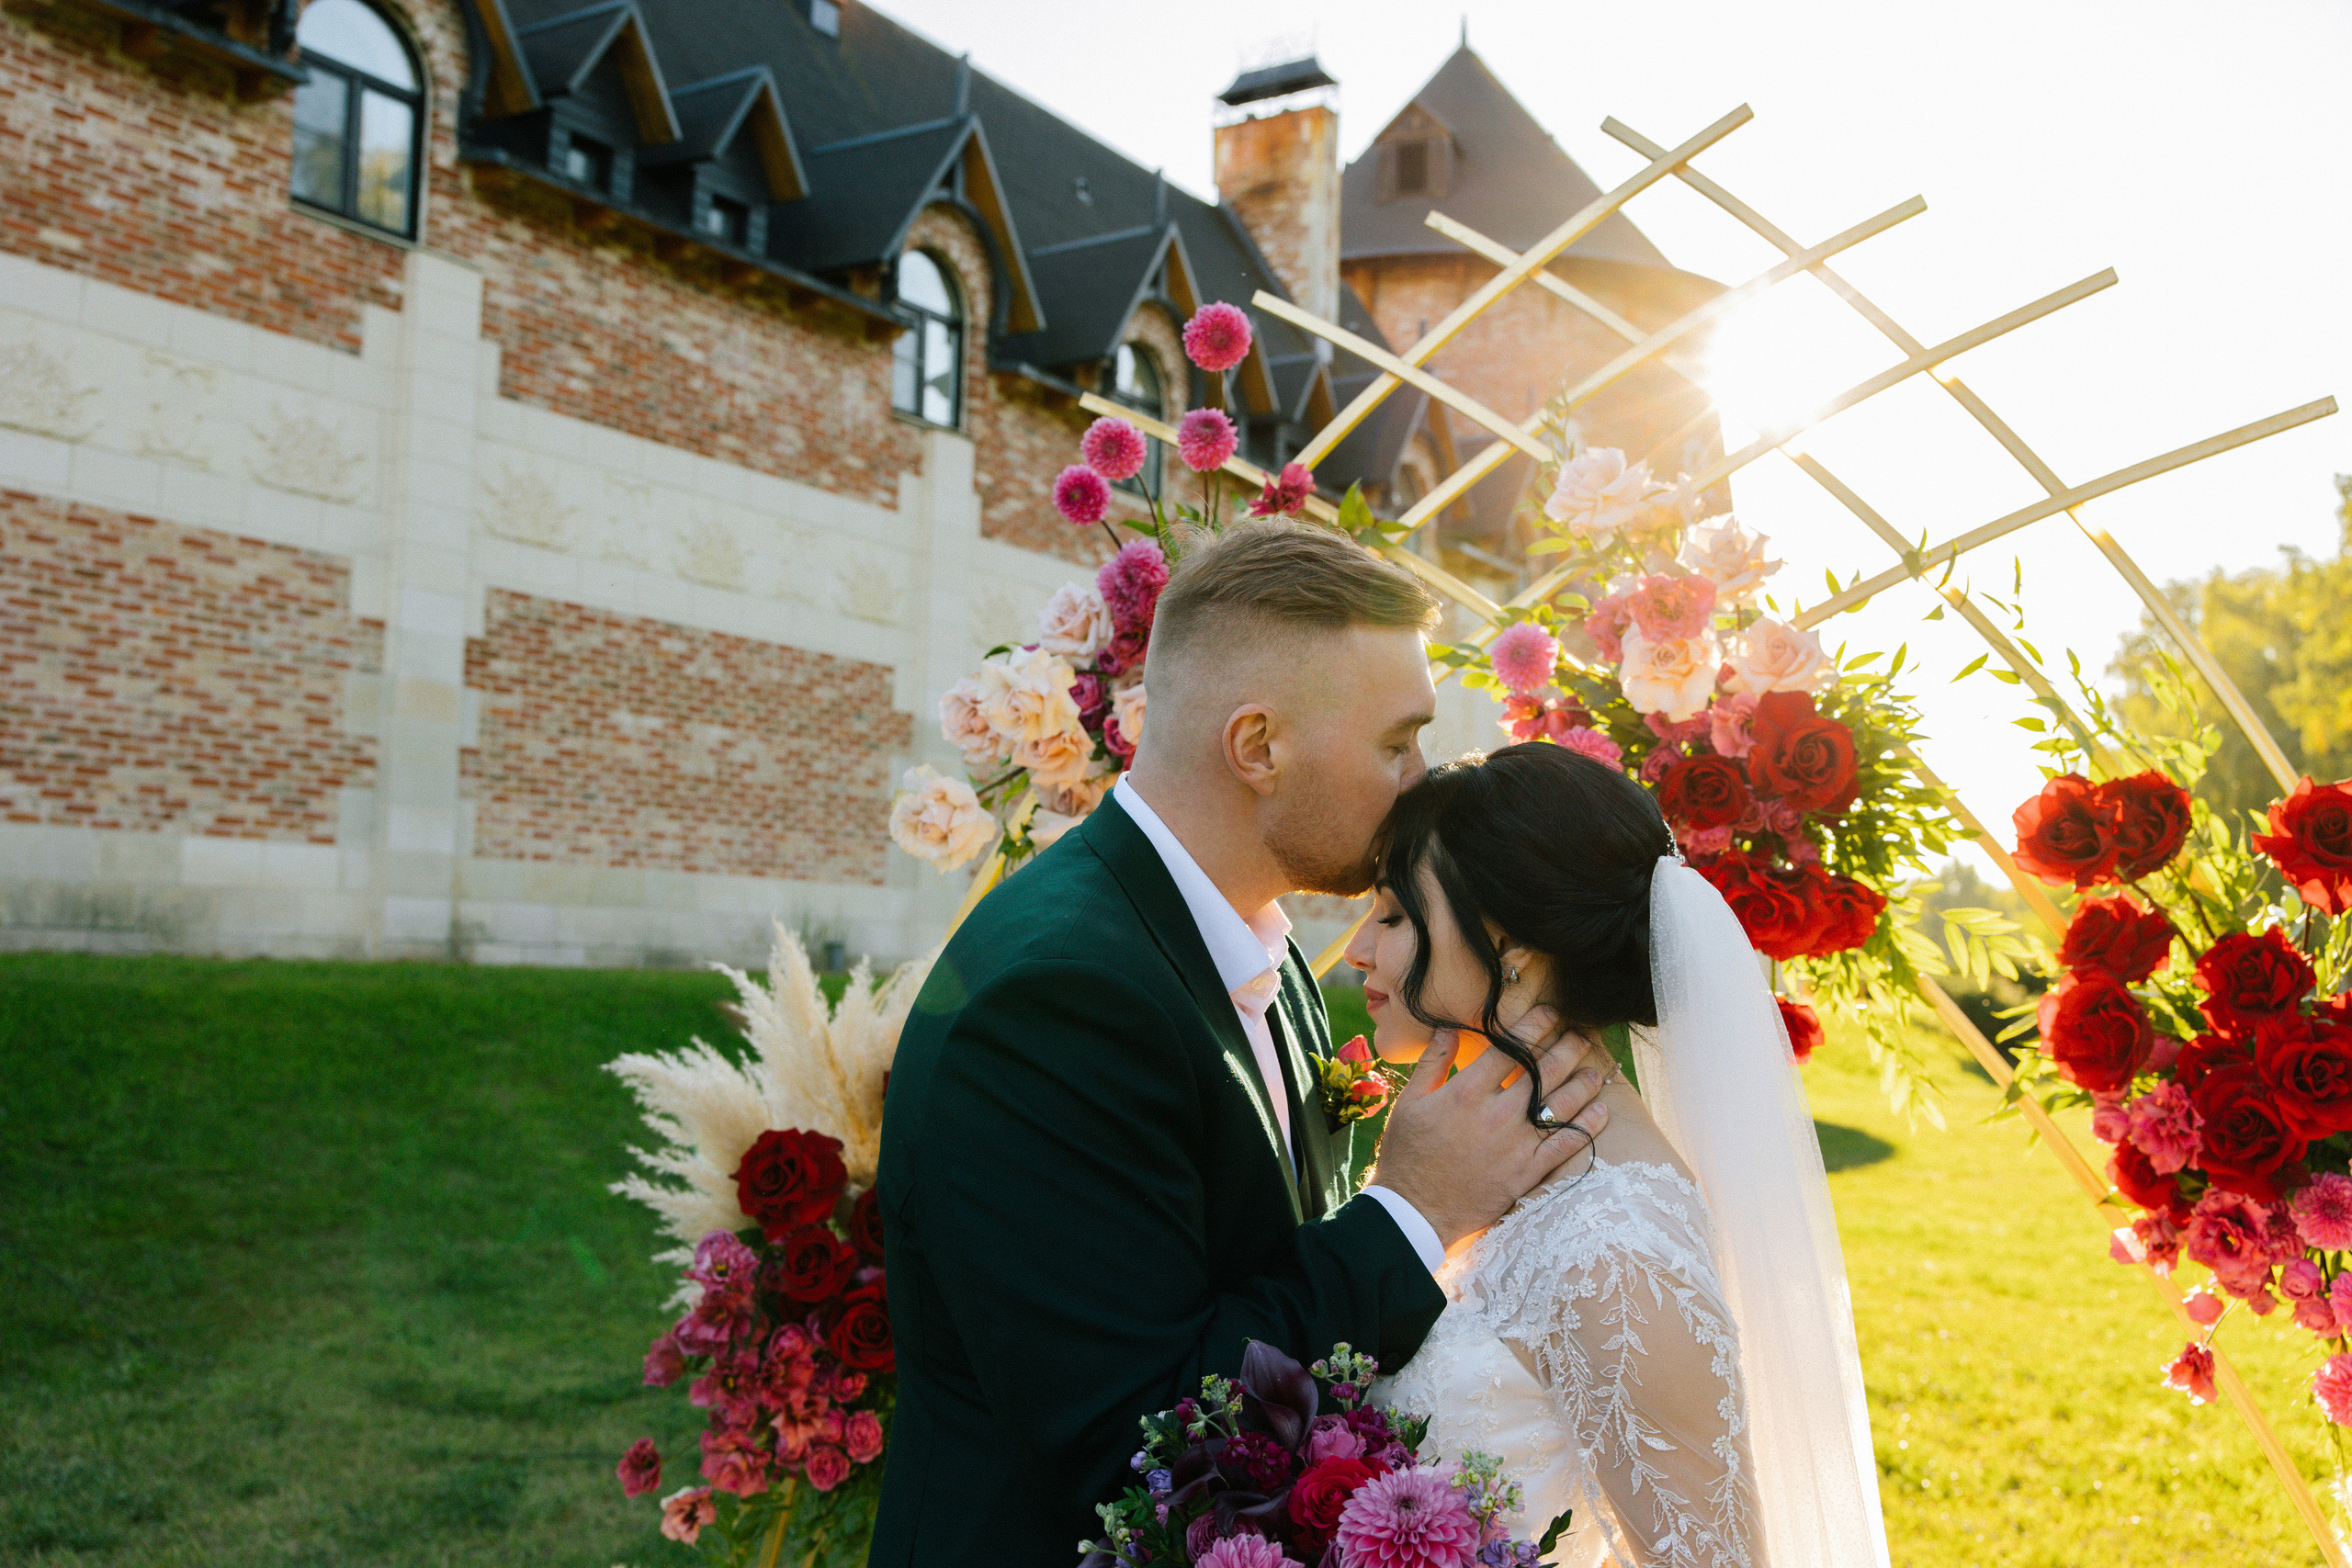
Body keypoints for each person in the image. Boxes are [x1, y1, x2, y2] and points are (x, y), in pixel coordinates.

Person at [872, 523, 1614, 1562]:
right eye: (1396, 743)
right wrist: (1412, 1210)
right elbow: (1141, 1439)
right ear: (1258, 746)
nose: (1422, 780)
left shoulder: (1253, 949)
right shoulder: (1060, 1002)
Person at [1349, 740, 1892, 1568]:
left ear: (1508, 947)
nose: (1357, 948)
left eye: (1391, 915)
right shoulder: (1491, 1162)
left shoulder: (1614, 1247)